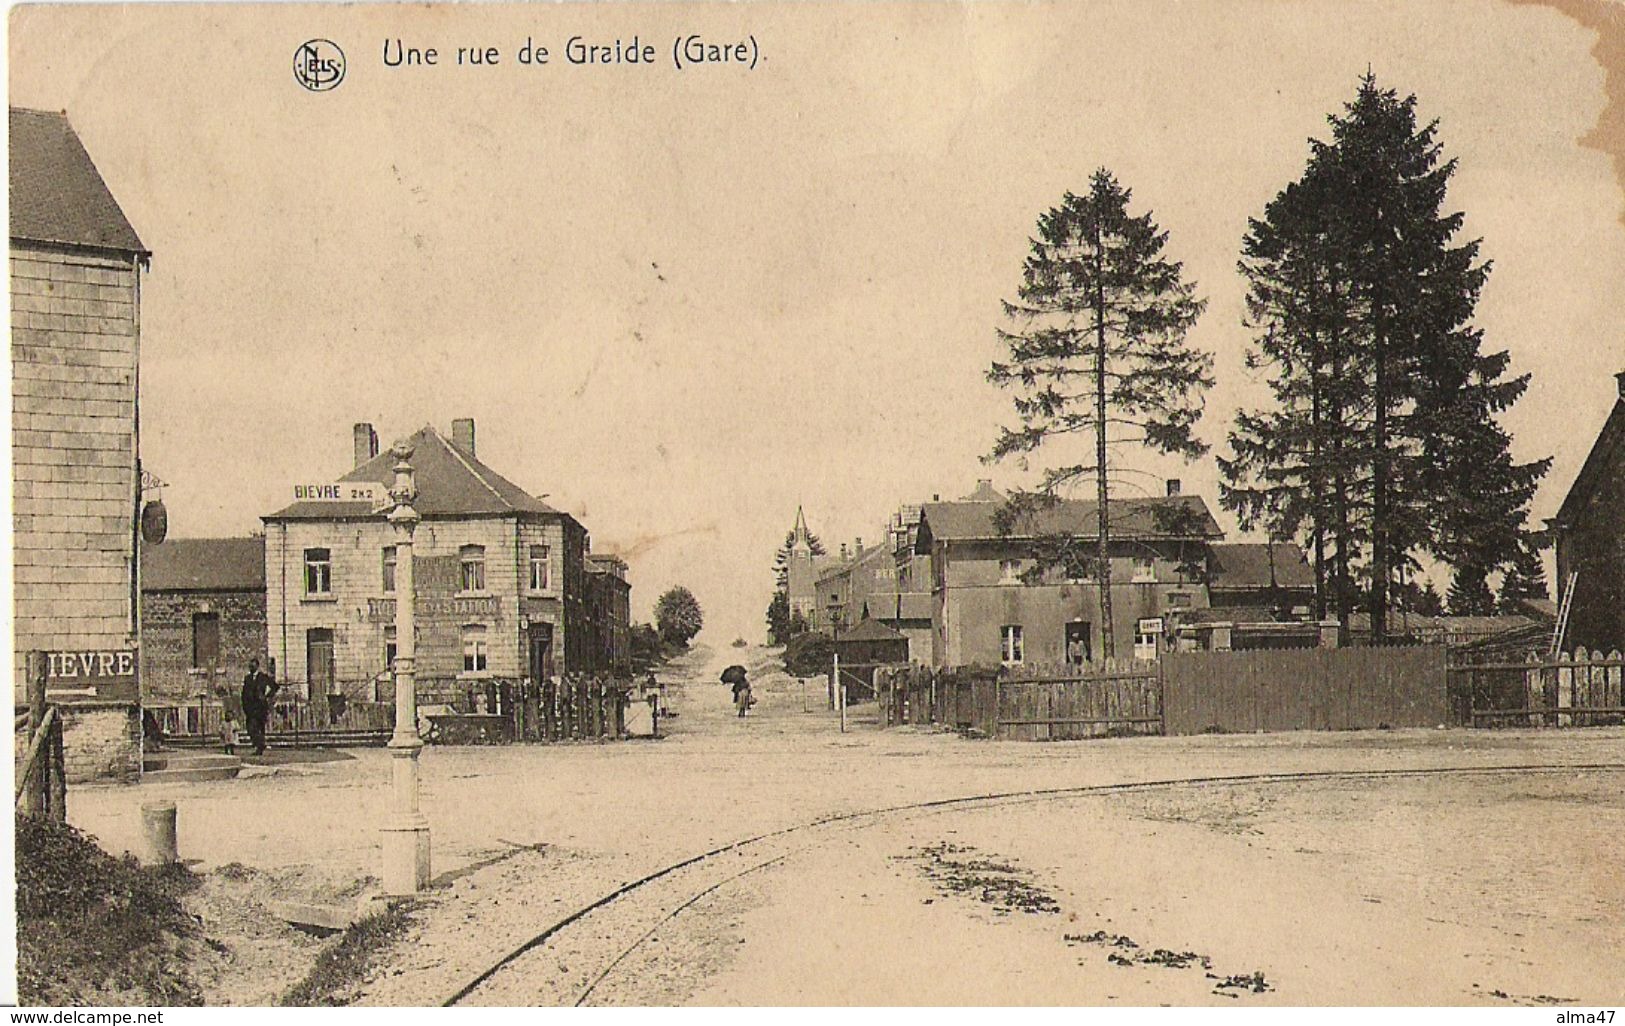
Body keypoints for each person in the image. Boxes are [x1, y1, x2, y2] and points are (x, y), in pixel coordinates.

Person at [241, 658, 279, 756]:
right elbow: (244, 692)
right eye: (250, 666)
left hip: (260, 707)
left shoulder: (263, 677)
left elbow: (275, 687)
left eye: (253, 666)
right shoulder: (247, 678)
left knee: (259, 727)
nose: (251, 668)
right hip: (250, 707)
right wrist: (244, 704)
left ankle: (259, 747)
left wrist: (267, 696)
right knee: (250, 727)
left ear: (257, 666)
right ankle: (259, 744)